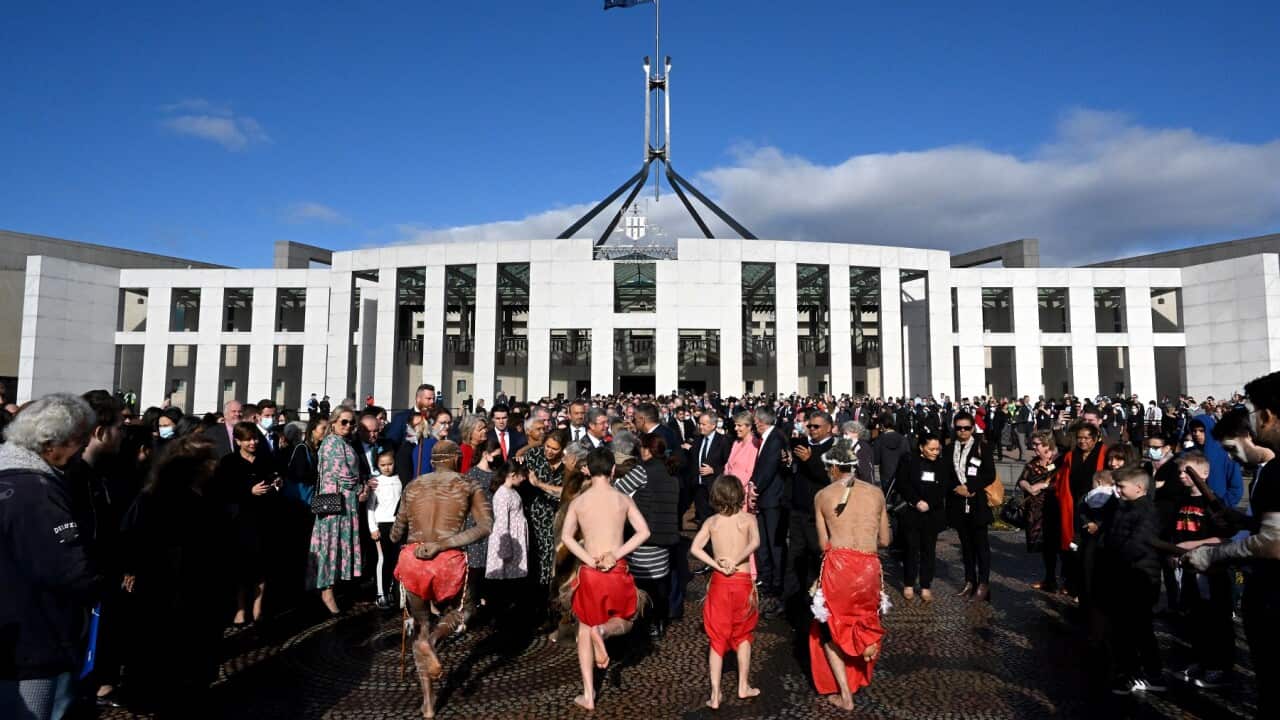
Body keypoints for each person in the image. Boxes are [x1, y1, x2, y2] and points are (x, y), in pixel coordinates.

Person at [0, 394, 102, 720]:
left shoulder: (8, 475)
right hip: (35, 641)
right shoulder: (39, 490)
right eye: (79, 441)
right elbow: (69, 569)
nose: (83, 449)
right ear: (51, 444)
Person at [1185, 374, 1280, 718]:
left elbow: (1273, 543)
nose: (1250, 421)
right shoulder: (1266, 473)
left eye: (1250, 412)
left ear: (1268, 415)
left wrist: (1212, 554)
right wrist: (1241, 522)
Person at [117, 434, 232, 714]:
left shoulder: (201, 495)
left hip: (187, 591)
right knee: (173, 656)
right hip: (174, 591)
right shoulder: (161, 498)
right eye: (209, 461)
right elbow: (131, 538)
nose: (214, 466)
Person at [390, 440, 493, 720]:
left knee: (421, 624)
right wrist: (444, 543)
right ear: (457, 460)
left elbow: (396, 532)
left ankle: (428, 704)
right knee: (463, 611)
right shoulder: (469, 484)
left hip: (413, 560)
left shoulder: (413, 486)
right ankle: (434, 640)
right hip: (447, 561)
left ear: (434, 461)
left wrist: (403, 534)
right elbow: (486, 525)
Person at [559, 447, 652, 712]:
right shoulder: (623, 499)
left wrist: (589, 560)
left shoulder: (579, 502)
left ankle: (588, 695)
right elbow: (643, 532)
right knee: (625, 619)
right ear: (612, 470)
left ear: (588, 470)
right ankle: (605, 631)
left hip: (590, 572)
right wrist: (615, 554)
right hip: (616, 569)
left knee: (584, 629)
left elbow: (566, 538)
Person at [808, 439, 891, 710]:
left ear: (832, 468)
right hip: (868, 565)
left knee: (832, 628)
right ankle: (866, 643)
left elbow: (823, 545)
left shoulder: (822, 495)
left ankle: (845, 695)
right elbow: (886, 540)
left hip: (838, 566)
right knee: (863, 618)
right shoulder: (876, 493)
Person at [690, 474, 761, 709]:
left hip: (720, 581)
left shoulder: (712, 522)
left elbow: (695, 548)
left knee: (717, 637)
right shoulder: (748, 519)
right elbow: (755, 543)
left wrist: (717, 564)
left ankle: (715, 694)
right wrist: (736, 560)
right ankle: (743, 685)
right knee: (744, 633)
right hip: (741, 580)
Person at [1170, 453, 1235, 688]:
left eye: (1187, 471)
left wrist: (1192, 545)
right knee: (1195, 616)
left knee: (1216, 619)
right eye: (1180, 472)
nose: (1182, 476)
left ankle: (1220, 666)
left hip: (1210, 570)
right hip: (1186, 568)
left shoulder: (1214, 503)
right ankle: (1201, 660)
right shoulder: (1181, 500)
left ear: (1203, 473)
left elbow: (1224, 537)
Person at [1100, 466, 1166, 695]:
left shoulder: (1147, 510)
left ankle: (1149, 673)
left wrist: (1114, 557)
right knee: (1125, 628)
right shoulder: (1124, 507)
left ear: (1139, 488)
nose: (1117, 491)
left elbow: (1137, 544)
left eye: (1121, 487)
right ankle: (1128, 670)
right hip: (1123, 575)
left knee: (1139, 628)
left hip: (1139, 576)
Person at [214, 421, 282, 625]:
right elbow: (222, 492)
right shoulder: (229, 462)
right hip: (240, 521)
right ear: (238, 441)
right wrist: (248, 491)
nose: (253, 442)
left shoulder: (266, 459)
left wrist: (277, 483)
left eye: (254, 438)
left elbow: (276, 478)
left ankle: (257, 608)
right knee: (241, 568)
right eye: (248, 439)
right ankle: (241, 608)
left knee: (262, 567)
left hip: (264, 519)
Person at [308, 408, 368, 615]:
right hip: (335, 507)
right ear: (333, 422)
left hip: (345, 505)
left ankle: (331, 589)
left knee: (337, 547)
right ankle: (326, 591)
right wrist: (362, 487)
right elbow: (345, 476)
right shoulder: (332, 443)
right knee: (330, 547)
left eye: (352, 423)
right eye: (344, 422)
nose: (348, 426)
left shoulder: (345, 443)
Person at [945, 412, 997, 601]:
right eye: (959, 428)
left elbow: (989, 474)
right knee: (966, 545)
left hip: (977, 501)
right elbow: (946, 474)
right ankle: (970, 581)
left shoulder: (982, 447)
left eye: (966, 428)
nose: (962, 431)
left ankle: (984, 583)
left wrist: (971, 487)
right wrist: (957, 488)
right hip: (958, 501)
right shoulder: (950, 448)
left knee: (981, 544)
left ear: (973, 428)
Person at [897, 432, 953, 602]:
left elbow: (944, 487)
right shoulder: (909, 460)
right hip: (913, 512)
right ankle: (908, 583)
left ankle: (925, 585)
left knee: (929, 551)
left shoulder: (942, 464)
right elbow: (902, 483)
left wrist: (929, 503)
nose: (935, 452)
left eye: (938, 449)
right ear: (922, 447)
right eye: (931, 449)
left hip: (932, 513)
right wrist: (916, 501)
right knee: (911, 549)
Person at [751, 406, 788, 613]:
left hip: (773, 498)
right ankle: (767, 579)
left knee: (774, 544)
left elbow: (769, 467)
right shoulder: (770, 437)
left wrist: (755, 487)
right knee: (764, 542)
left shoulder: (775, 438)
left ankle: (776, 583)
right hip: (766, 498)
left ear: (759, 421)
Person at [485, 462, 529, 623]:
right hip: (508, 540)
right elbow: (502, 523)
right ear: (512, 475)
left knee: (511, 583)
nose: (524, 479)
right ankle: (499, 618)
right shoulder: (503, 494)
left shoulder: (512, 492)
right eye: (522, 475)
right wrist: (505, 549)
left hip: (515, 539)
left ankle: (507, 617)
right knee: (503, 584)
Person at [1017, 431, 1060, 590]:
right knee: (1046, 547)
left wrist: (1042, 485)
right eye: (1033, 444)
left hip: (1056, 508)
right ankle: (1050, 579)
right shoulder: (1033, 463)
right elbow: (1022, 479)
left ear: (1047, 445)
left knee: (1061, 546)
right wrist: (1027, 486)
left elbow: (1062, 482)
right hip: (1037, 511)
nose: (1033, 447)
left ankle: (1070, 582)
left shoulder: (1059, 461)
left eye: (1036, 444)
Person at [368, 450, 404, 610]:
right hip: (382, 523)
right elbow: (370, 507)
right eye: (383, 465)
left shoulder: (399, 480)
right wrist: (373, 527)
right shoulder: (376, 482)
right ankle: (380, 593)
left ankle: (392, 591)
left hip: (397, 524)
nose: (387, 468)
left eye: (390, 464)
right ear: (377, 465)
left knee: (397, 559)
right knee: (383, 559)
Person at [725, 411, 759, 514]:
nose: (736, 428)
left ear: (749, 427)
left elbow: (750, 472)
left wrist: (734, 488)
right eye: (735, 425)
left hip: (742, 495)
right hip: (728, 493)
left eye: (739, 425)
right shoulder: (736, 443)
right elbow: (728, 465)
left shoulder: (754, 444)